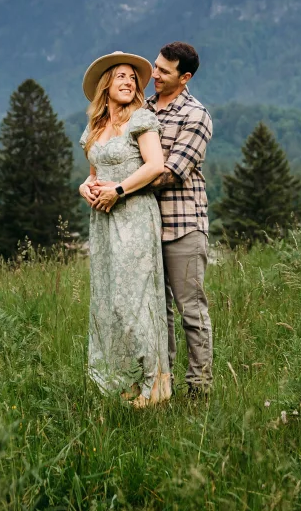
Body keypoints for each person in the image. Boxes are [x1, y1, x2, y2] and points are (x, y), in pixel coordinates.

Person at [94, 42, 213, 397]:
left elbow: (170, 172)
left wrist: (120, 187)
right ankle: (161, 385)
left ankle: (199, 387)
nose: (154, 75)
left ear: (185, 76)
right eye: (157, 67)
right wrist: (100, 183)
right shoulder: (142, 109)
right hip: (140, 229)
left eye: (164, 71)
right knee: (154, 312)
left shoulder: (196, 115)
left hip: (181, 225)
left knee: (190, 309)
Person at [77, 51, 173, 407]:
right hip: (103, 222)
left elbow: (155, 166)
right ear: (106, 83)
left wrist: (118, 191)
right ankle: (129, 380)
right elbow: (92, 174)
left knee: (133, 300)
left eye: (133, 77)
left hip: (133, 215)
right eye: (120, 76)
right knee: (109, 302)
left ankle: (157, 384)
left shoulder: (141, 119)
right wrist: (85, 188)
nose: (128, 82)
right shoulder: (95, 128)